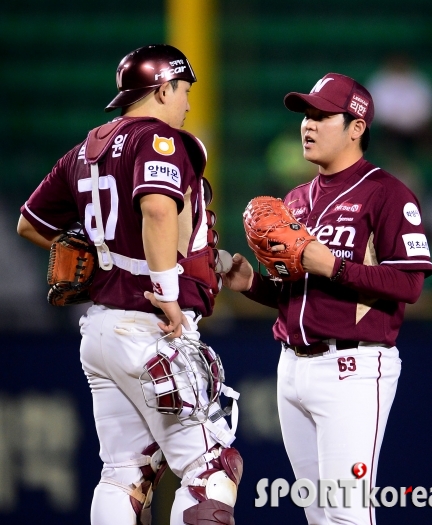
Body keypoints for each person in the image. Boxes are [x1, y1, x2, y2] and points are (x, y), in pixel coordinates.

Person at [17, 44, 242, 525]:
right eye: (183, 90)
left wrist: (100, 257)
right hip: (150, 326)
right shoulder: (159, 139)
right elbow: (158, 208)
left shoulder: (86, 148)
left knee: (123, 472)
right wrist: (165, 289)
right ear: (162, 88)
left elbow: (30, 224)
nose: (186, 102)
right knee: (211, 467)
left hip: (100, 327)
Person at [223, 73, 432, 524]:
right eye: (306, 115)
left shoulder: (387, 194)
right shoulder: (296, 199)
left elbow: (410, 285)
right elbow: (297, 294)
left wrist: (333, 266)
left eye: (322, 115)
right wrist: (250, 285)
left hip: (353, 369)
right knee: (318, 514)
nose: (308, 125)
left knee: (347, 514)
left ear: (356, 127)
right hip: (292, 367)